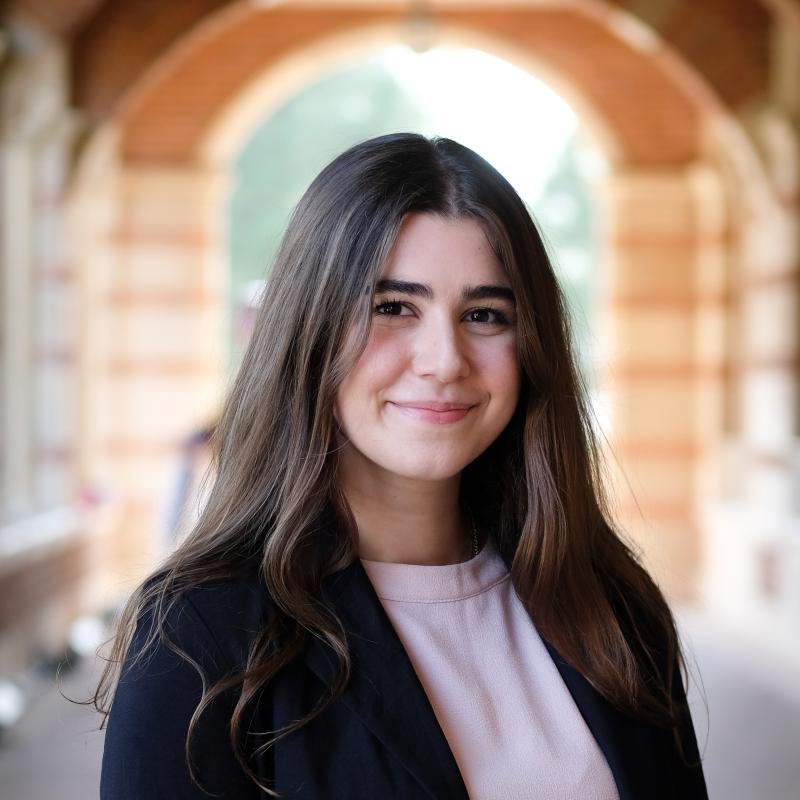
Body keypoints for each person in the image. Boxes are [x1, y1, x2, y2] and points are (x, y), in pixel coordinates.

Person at [96, 132, 708, 799]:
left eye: (484, 314)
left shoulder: (613, 609)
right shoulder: (201, 631)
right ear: (311, 328)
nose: (444, 360)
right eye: (393, 307)